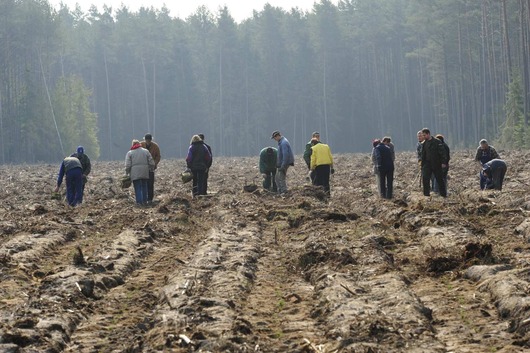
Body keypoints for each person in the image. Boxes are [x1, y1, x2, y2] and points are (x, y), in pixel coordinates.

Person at [125, 139, 155, 205]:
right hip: (145, 171)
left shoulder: (130, 153)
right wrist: (151, 168)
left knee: (137, 187)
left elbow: (128, 165)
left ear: (133, 145)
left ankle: (139, 202)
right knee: (144, 186)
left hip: (135, 173)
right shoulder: (146, 151)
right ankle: (145, 201)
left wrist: (127, 173)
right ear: (139, 144)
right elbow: (151, 162)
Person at [420, 128, 448, 197]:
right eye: (422, 135)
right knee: (425, 179)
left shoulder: (437, 142)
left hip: (436, 163)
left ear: (428, 134)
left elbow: (442, 153)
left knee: (439, 179)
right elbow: (423, 154)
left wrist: (443, 162)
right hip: (427, 164)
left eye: (424, 135)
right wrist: (422, 164)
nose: (423, 137)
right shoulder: (424, 143)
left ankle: (443, 194)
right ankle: (426, 194)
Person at [271, 130, 295, 194]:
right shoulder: (281, 142)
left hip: (284, 163)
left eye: (275, 138)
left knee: (280, 178)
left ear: (278, 136)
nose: (275, 139)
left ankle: (284, 191)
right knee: (277, 178)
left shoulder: (284, 143)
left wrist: (283, 165)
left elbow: (285, 155)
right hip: (281, 163)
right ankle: (280, 191)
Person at [140, 133, 161, 203]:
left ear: (151, 140)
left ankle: (150, 199)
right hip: (143, 168)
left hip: (151, 168)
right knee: (143, 183)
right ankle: (144, 198)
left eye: (149, 140)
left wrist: (154, 164)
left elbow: (158, 156)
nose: (148, 141)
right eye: (147, 140)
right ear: (145, 140)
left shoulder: (155, 146)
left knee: (150, 183)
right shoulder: (141, 145)